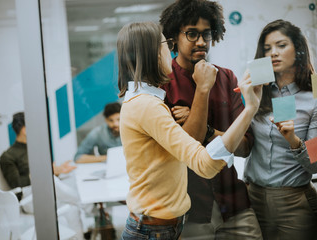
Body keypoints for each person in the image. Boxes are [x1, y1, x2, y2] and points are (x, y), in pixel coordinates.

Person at [117, 21, 262, 240]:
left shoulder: (145, 101)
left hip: (162, 226)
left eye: (207, 34)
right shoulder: (148, 105)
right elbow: (204, 163)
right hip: (155, 229)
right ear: (154, 53)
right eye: (167, 44)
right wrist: (250, 108)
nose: (170, 48)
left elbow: (243, 145)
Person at [159, 0, 262, 239]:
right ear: (174, 36)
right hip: (190, 209)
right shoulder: (163, 83)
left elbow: (245, 146)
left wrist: (206, 130)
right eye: (192, 34)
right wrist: (203, 90)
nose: (201, 42)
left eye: (206, 34)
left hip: (234, 203)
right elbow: (188, 146)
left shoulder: (226, 77)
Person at [244, 19, 317, 240]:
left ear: (299, 50)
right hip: (251, 198)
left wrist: (293, 140)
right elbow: (239, 143)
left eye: (281, 45)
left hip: (294, 204)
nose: (273, 53)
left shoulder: (314, 94)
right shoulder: (257, 90)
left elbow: (315, 167)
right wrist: (247, 105)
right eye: (267, 48)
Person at [0, 112, 78, 213]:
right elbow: (17, 184)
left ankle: (84, 202)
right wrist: (43, 174)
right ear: (24, 130)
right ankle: (84, 202)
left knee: (73, 179)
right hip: (28, 198)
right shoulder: (8, 156)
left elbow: (43, 174)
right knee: (54, 182)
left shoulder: (35, 149)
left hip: (43, 191)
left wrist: (57, 170)